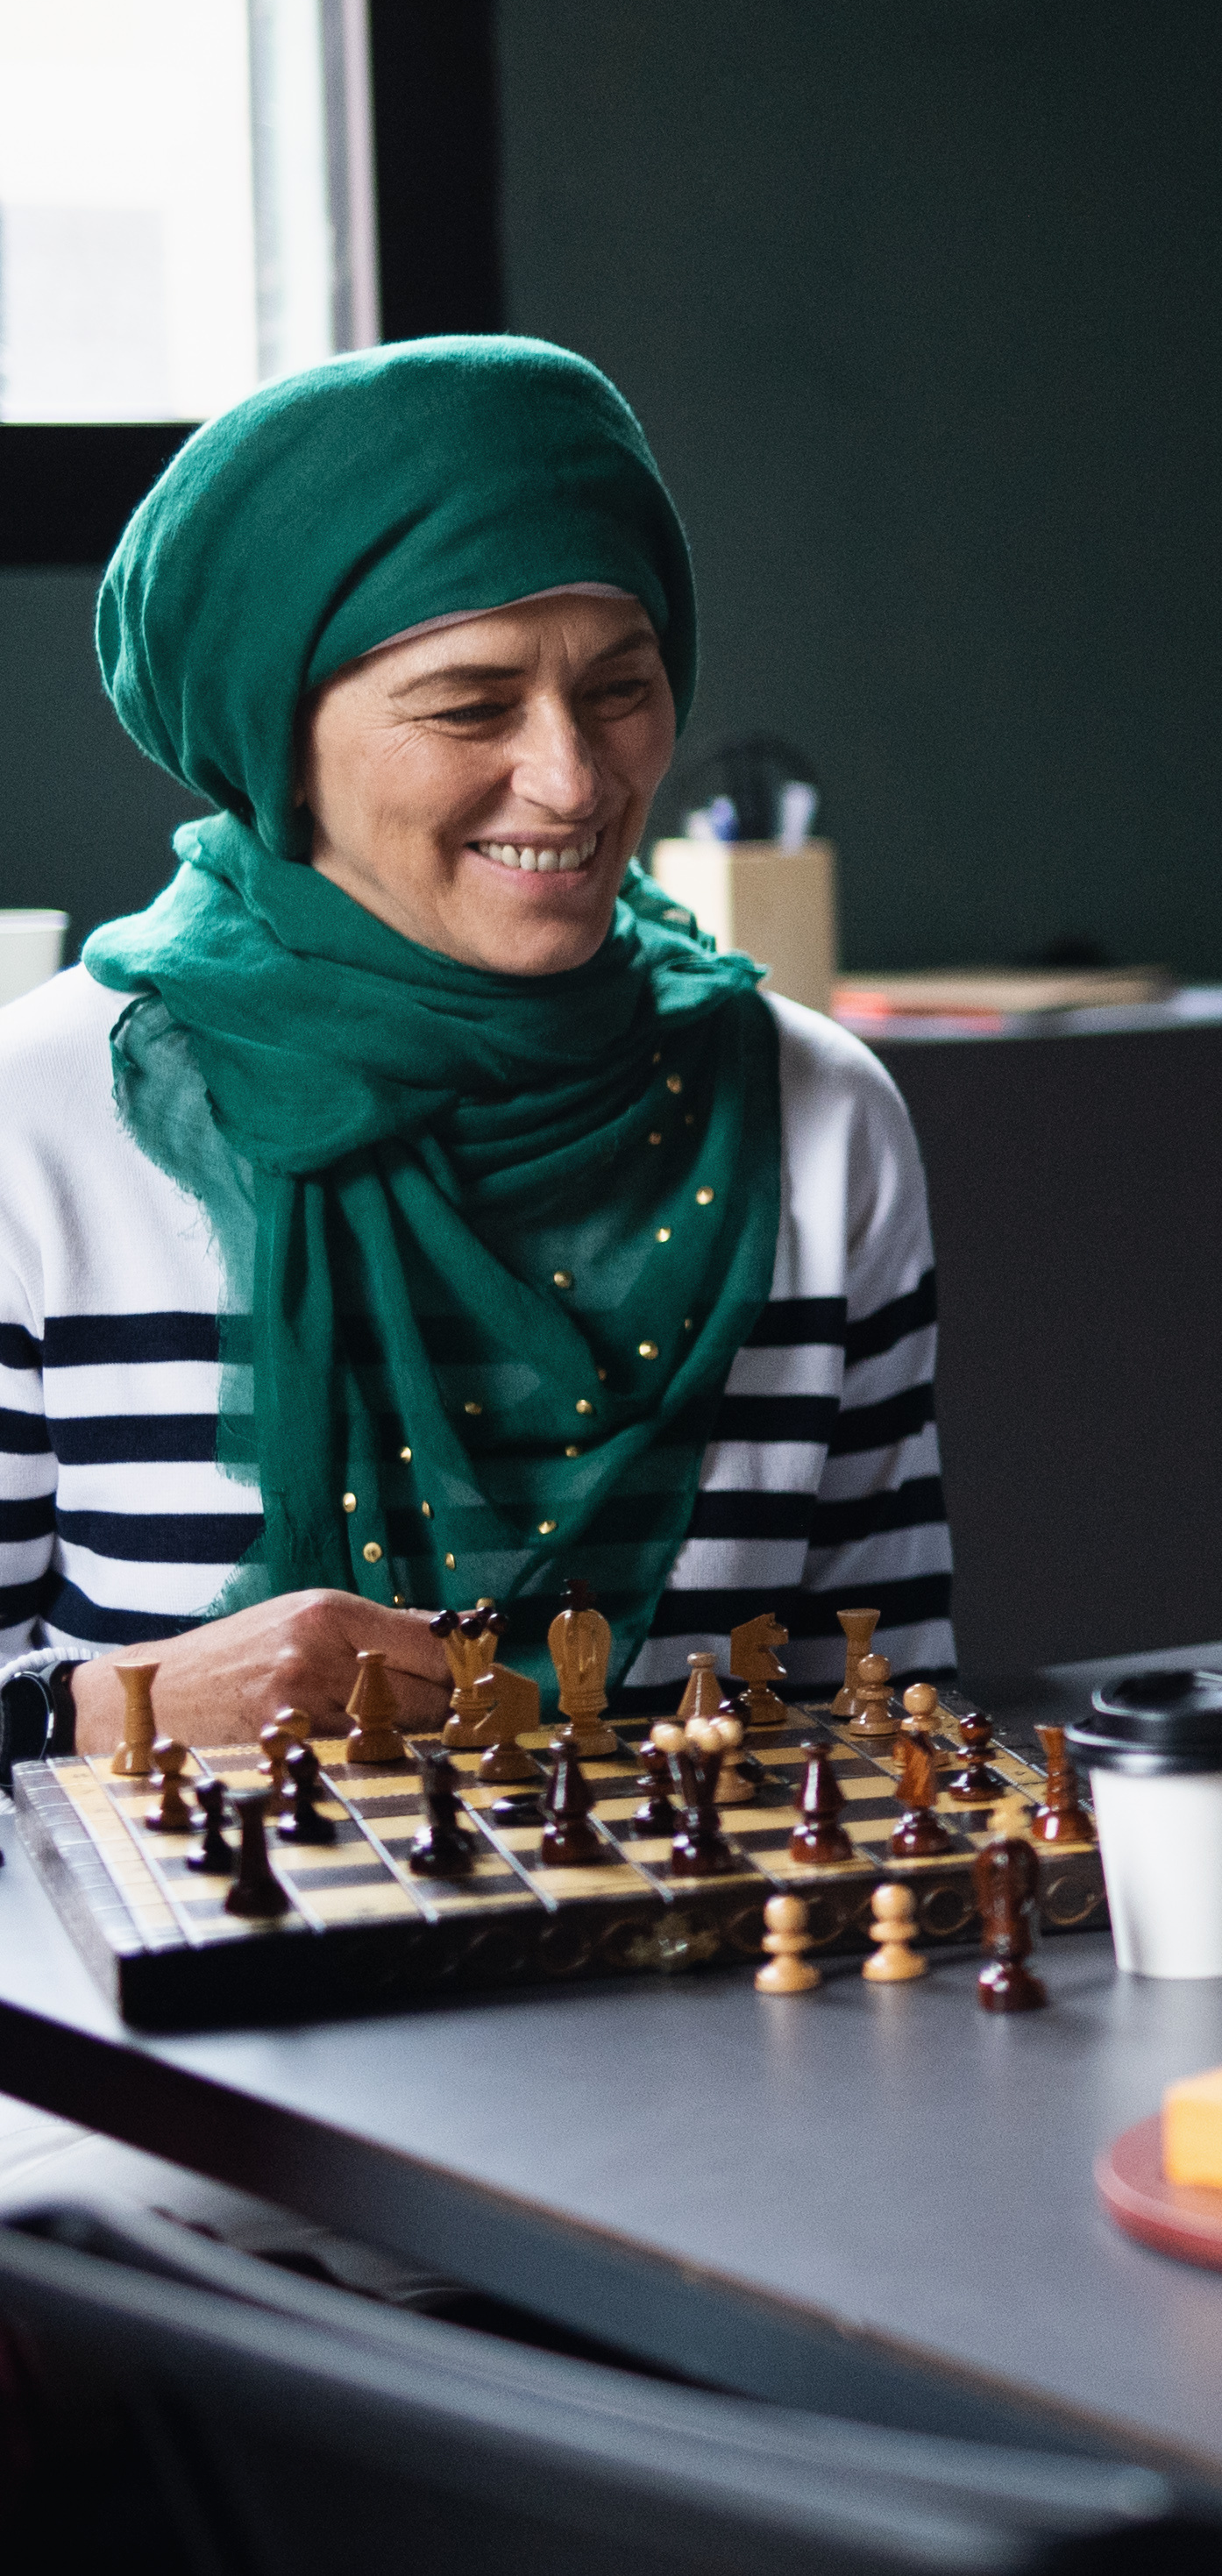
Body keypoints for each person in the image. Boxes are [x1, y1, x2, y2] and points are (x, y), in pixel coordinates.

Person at [0, 338, 951, 1763]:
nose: (574, 778)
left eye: (620, 686)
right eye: (471, 705)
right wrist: (107, 1710)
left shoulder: (822, 1119)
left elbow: (886, 1721)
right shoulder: (37, 1124)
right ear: (280, 738)